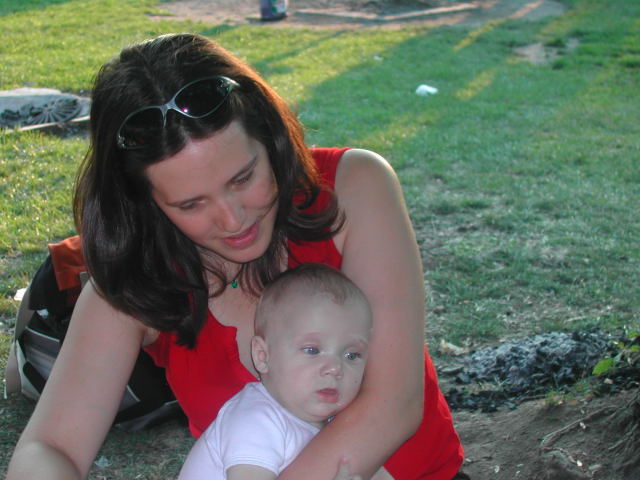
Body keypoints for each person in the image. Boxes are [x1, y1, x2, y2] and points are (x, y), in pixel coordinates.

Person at [7, 33, 464, 479]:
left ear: (271, 139)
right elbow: (49, 447)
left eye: (243, 178)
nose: (232, 220)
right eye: (190, 204)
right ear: (146, 204)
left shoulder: (352, 186)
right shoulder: (140, 280)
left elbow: (393, 403)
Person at [179, 263, 390, 480]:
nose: (335, 368)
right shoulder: (256, 419)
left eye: (352, 355)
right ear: (263, 356)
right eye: (312, 350)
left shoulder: (333, 424)